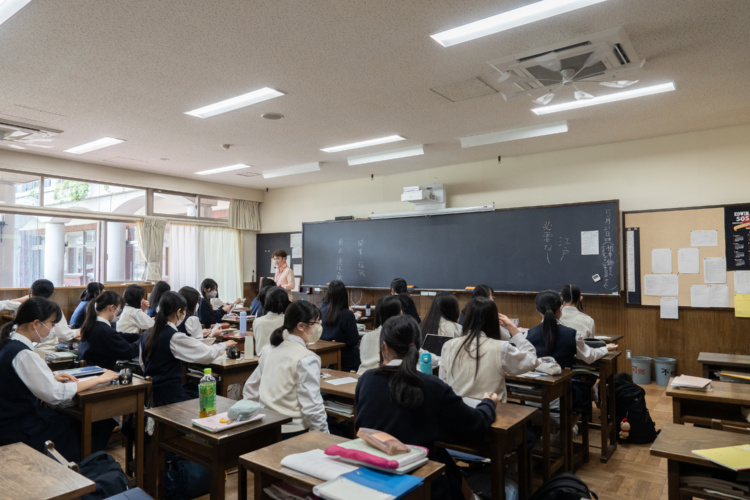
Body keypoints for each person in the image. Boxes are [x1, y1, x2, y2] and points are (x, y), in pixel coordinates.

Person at [354, 315, 498, 500]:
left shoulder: (366, 380)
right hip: (422, 480)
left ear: (384, 347)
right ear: (418, 347)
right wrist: (488, 403)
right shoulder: (433, 386)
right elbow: (475, 425)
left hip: (373, 471)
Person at [0, 297, 119, 461]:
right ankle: (83, 472)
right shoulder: (23, 354)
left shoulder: (10, 343)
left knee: (69, 418)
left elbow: (21, 379)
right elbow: (55, 395)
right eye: (51, 324)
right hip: (19, 428)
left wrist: (53, 377)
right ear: (36, 324)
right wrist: (98, 380)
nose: (52, 330)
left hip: (11, 420)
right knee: (87, 423)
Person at [243, 300, 328, 438]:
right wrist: (323, 437)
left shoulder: (268, 349)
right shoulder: (307, 358)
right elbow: (313, 406)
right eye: (316, 322)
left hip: (265, 426)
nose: (319, 327)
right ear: (301, 326)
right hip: (293, 431)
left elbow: (250, 388)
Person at [143, 291, 235, 406]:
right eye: (184, 312)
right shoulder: (174, 337)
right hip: (170, 397)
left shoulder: (147, 334)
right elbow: (207, 354)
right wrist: (224, 345)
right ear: (178, 312)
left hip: (154, 394)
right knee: (212, 394)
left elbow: (143, 364)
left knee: (194, 387)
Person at [439, 297, 537, 401]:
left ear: (467, 319)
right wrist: (513, 329)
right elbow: (532, 360)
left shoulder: (448, 345)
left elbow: (443, 381)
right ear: (494, 321)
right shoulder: (501, 348)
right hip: (490, 411)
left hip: (459, 411)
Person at [526, 290, 615, 369]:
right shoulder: (572, 334)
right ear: (560, 309)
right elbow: (589, 357)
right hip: (567, 384)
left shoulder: (528, 334)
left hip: (537, 385)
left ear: (538, 311)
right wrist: (605, 348)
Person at [79, 291, 140, 370]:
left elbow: (119, 336)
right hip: (100, 374)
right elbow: (129, 352)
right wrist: (143, 339)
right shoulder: (105, 331)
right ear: (111, 308)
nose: (119, 314)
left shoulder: (93, 325)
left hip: (90, 371)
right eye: (119, 310)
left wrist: (138, 337)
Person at [24, 279, 76, 353]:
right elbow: (64, 335)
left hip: (25, 349)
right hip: (45, 352)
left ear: (31, 293)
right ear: (51, 294)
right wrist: (79, 332)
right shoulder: (53, 309)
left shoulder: (24, 307)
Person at [320, 280, 360, 372]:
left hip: (326, 358)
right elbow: (353, 340)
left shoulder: (322, 312)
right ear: (344, 295)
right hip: (347, 360)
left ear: (328, 295)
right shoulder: (348, 314)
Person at [357, 295, 402, 374]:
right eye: (400, 310)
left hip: (361, 377)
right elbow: (428, 358)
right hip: (381, 378)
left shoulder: (366, 337)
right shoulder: (399, 337)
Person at [253, 287, 290, 355]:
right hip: (281, 360)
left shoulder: (257, 321)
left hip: (261, 361)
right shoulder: (287, 321)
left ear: (267, 302)